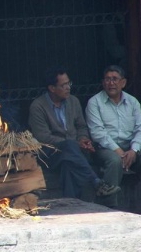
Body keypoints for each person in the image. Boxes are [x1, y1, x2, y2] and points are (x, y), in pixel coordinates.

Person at [28, 66, 120, 199]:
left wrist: (83, 139)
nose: (68, 88)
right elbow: (43, 137)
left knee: (68, 165)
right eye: (63, 85)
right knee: (69, 148)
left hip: (73, 153)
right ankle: (97, 182)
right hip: (51, 153)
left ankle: (71, 203)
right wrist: (74, 143)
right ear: (52, 88)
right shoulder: (38, 106)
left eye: (69, 83)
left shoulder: (73, 101)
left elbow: (81, 126)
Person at [85, 65, 141, 208]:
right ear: (103, 83)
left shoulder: (133, 102)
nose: (111, 83)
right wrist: (118, 151)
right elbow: (98, 132)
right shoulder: (94, 102)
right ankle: (109, 205)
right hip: (104, 149)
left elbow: (140, 128)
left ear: (123, 82)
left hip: (129, 147)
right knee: (114, 160)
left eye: (115, 79)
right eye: (108, 79)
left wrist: (134, 150)